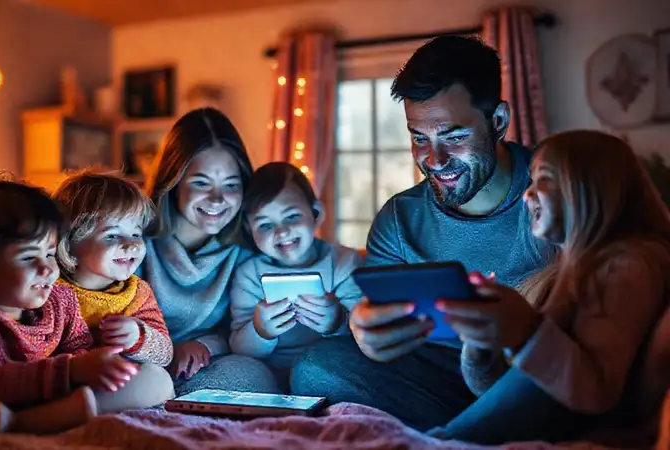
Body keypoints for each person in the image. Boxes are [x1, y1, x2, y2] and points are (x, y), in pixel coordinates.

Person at [290, 35, 555, 431]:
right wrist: (366, 331)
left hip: (534, 369)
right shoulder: (398, 219)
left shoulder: (554, 188)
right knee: (316, 368)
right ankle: (483, 428)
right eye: (419, 138)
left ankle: (477, 428)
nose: (435, 159)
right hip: (438, 376)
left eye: (454, 136)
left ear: (497, 121)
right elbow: (376, 321)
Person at [433, 130, 670, 443]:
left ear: (590, 186)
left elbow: (594, 390)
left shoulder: (630, 264)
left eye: (542, 178)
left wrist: (526, 329)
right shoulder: (555, 278)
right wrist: (481, 344)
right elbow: (506, 391)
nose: (526, 196)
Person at [0, 174, 169, 436]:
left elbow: (80, 348)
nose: (48, 269)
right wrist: (71, 371)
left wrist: (95, 366)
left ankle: (17, 421)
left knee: (157, 381)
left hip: (34, 396)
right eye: (29, 257)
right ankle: (18, 423)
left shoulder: (58, 302)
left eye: (50, 254)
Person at [139, 107, 280, 395]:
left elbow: (239, 330)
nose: (217, 199)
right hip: (141, 360)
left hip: (207, 364)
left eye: (230, 184)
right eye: (201, 183)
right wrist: (166, 352)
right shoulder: (137, 242)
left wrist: (204, 346)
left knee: (254, 376)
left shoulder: (247, 251)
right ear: (173, 181)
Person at [229, 162, 363, 391]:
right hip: (269, 376)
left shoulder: (344, 262)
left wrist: (338, 321)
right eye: (265, 225)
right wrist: (260, 330)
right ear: (249, 230)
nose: (281, 231)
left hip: (330, 371)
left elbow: (366, 333)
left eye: (291, 217)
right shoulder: (249, 275)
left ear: (316, 214)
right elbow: (239, 348)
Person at [52, 170, 175, 399]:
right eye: (112, 236)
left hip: (114, 385)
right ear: (69, 245)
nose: (131, 246)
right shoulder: (50, 290)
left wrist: (137, 336)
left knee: (158, 379)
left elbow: (165, 354)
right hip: (66, 382)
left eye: (136, 234)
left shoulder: (137, 292)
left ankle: (84, 409)